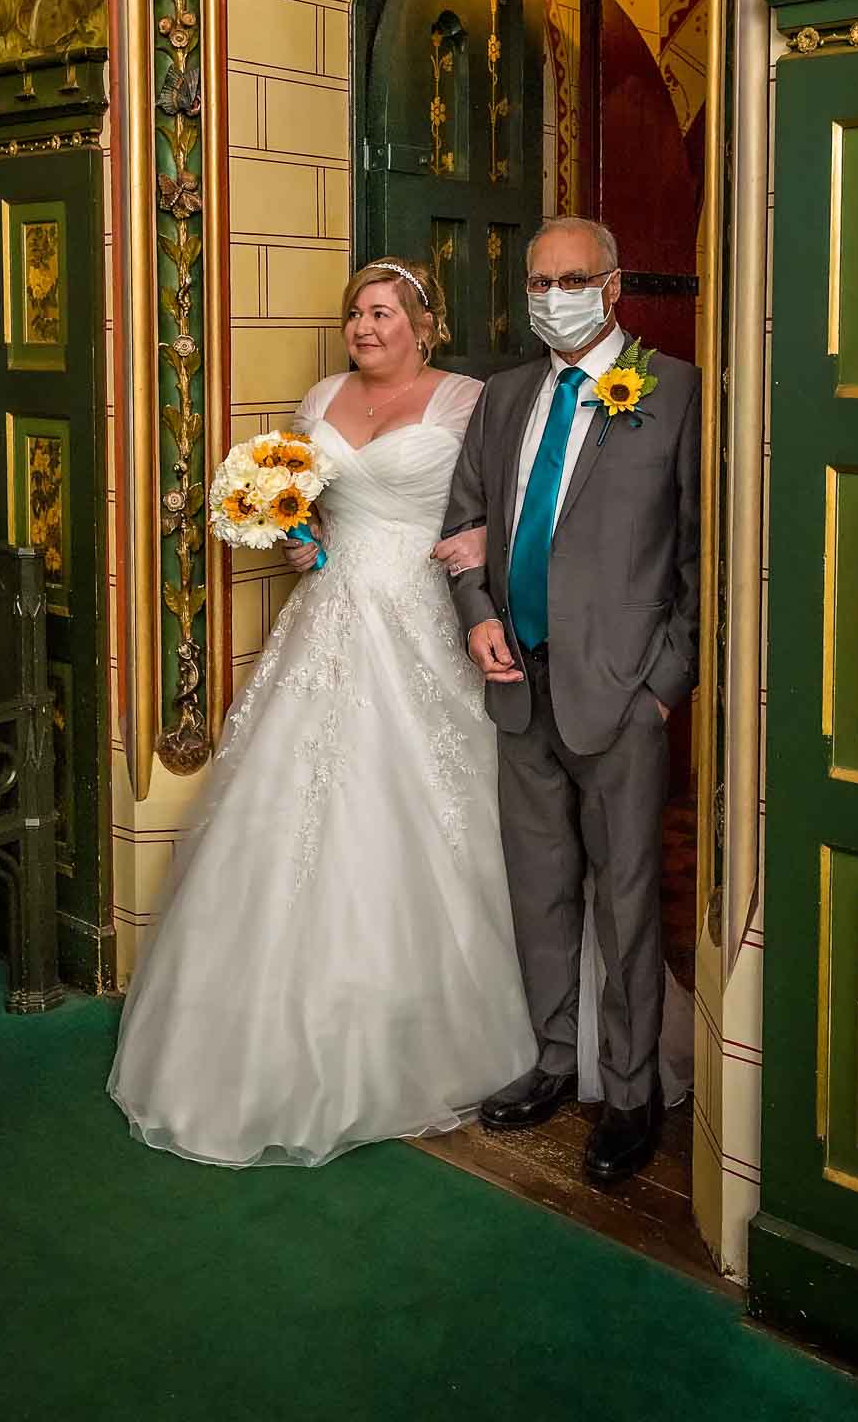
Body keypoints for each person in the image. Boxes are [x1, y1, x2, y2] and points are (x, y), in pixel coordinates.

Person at [108, 258, 537, 1166]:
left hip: (425, 618)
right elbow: (300, 496)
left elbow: (515, 504)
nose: (364, 327)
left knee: (429, 808)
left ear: (425, 324)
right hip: (329, 617)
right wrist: (295, 534)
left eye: (382, 313)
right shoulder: (321, 394)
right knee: (295, 804)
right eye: (354, 313)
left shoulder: (469, 400)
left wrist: (479, 547)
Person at [443, 215, 700, 1186]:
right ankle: (555, 1061)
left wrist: (661, 688)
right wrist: (474, 615)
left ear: (613, 282)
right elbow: (462, 520)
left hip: (621, 692)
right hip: (519, 683)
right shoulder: (504, 397)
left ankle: (629, 1094)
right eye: (538, 280)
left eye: (571, 277)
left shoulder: (673, 390)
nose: (554, 294)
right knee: (538, 889)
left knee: (626, 900)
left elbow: (697, 554)